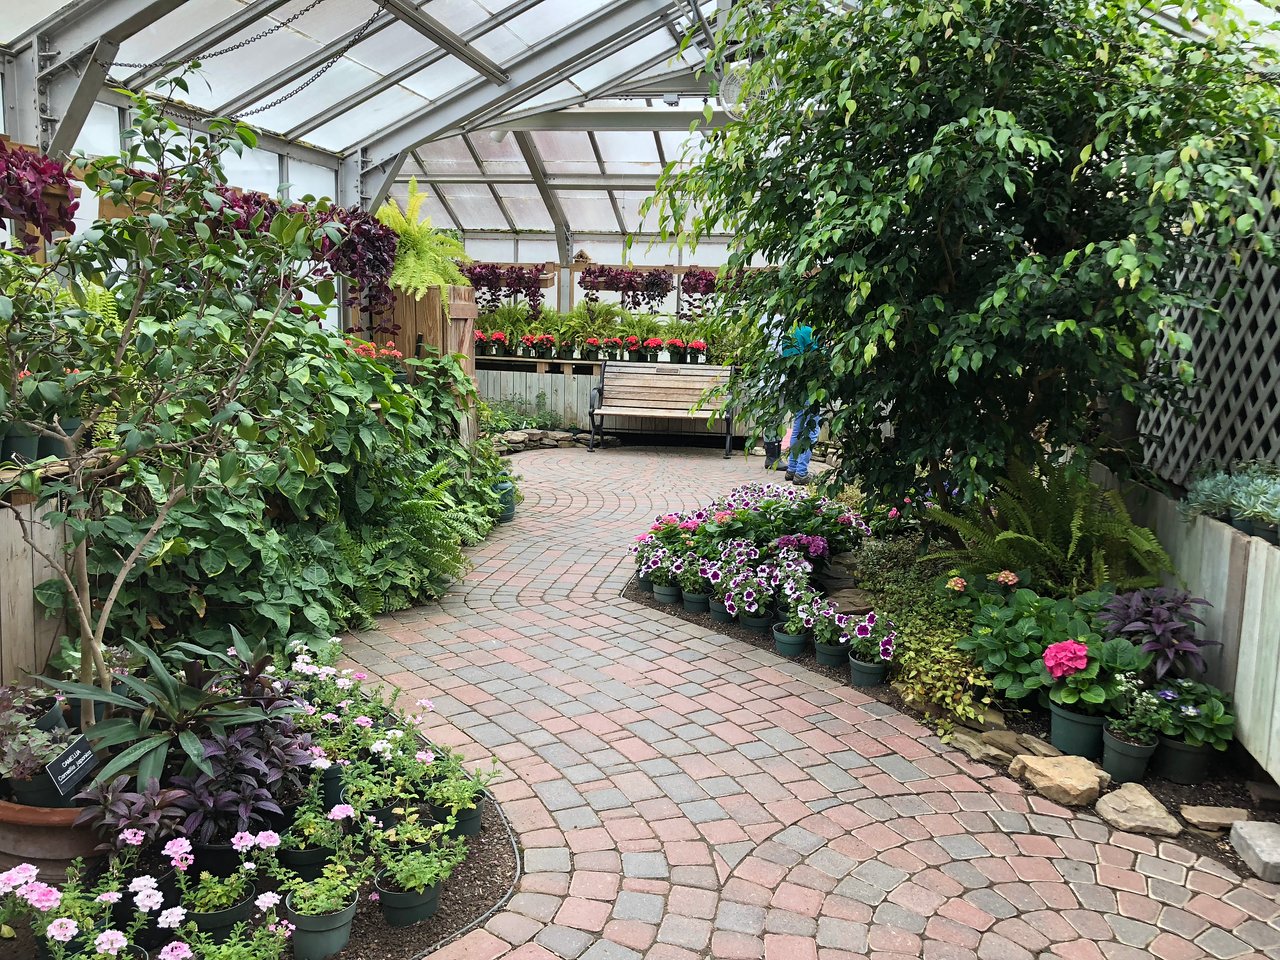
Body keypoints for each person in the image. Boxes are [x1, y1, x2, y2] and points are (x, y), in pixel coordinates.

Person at [781, 323, 819, 485]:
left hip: (794, 385)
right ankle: (801, 472)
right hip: (809, 386)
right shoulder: (808, 331)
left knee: (798, 427)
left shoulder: (789, 331)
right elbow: (820, 356)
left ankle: (792, 468)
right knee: (811, 429)